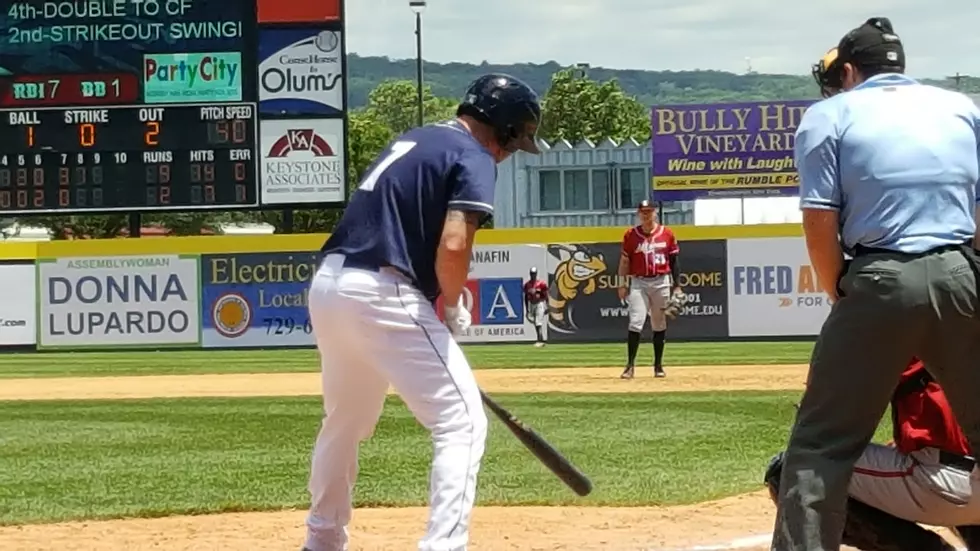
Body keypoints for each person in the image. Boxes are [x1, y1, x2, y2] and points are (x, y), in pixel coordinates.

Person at [301, 73, 541, 551]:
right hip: (381, 291)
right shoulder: (473, 154)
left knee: (345, 421)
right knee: (462, 421)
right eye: (516, 142)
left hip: (330, 284)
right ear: (508, 129)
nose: (510, 153)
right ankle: (444, 545)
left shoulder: (416, 138)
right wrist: (451, 304)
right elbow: (454, 242)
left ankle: (322, 539)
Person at [772, 17, 980, 550]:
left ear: (848, 70)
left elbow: (819, 218)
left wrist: (837, 286)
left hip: (879, 276)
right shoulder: (961, 107)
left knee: (820, 447)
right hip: (961, 270)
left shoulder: (830, 114)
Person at [766, 358, 980, 551]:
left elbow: (829, 420)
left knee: (792, 465)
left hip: (948, 485)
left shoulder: (897, 331)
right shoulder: (963, 332)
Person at [616, 199, 681, 379]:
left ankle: (658, 366)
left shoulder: (667, 234)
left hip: (661, 281)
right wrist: (621, 283)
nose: (646, 215)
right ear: (638, 214)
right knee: (635, 321)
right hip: (639, 282)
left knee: (659, 324)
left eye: (650, 211)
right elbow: (624, 262)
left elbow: (674, 262)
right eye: (643, 211)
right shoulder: (631, 235)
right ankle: (630, 366)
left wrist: (677, 286)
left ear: (655, 213)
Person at [522, 266, 548, 347]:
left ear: (536, 274)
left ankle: (539, 341)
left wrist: (547, 306)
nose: (533, 275)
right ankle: (541, 339)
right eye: (532, 273)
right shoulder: (527, 285)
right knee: (535, 323)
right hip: (531, 304)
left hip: (539, 303)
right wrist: (527, 310)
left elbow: (546, 295)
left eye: (534, 274)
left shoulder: (541, 284)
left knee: (538, 323)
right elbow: (526, 297)